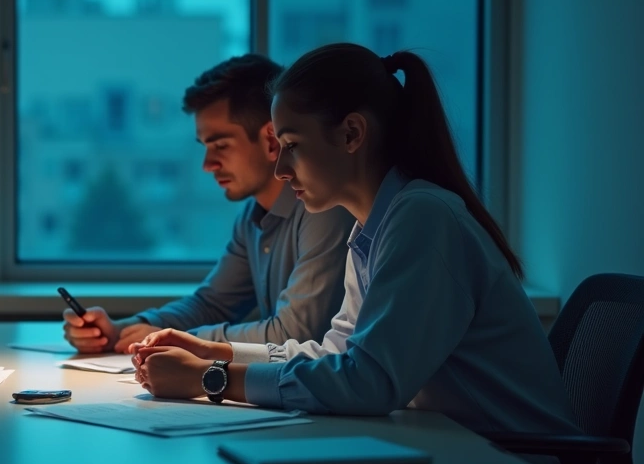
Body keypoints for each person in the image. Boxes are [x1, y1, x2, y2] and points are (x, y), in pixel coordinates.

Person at [133, 43, 578, 437]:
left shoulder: (423, 218)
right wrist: (217, 351)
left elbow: (369, 382)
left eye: (291, 144)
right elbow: (336, 352)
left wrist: (210, 378)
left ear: (351, 134)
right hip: (460, 454)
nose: (282, 169)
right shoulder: (372, 226)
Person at [62, 55, 353, 354]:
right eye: (205, 147)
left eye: (221, 146)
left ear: (271, 141)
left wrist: (181, 340)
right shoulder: (252, 218)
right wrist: (123, 330)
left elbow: (296, 334)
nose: (207, 164)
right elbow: (212, 304)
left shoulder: (324, 209)